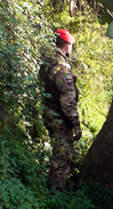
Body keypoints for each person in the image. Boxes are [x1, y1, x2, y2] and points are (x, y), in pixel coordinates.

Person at [39, 29, 82, 191]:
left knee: (58, 153)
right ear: (67, 45)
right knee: (62, 158)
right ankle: (56, 193)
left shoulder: (47, 62)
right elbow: (67, 100)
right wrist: (76, 125)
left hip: (49, 113)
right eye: (71, 45)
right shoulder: (61, 68)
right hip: (60, 117)